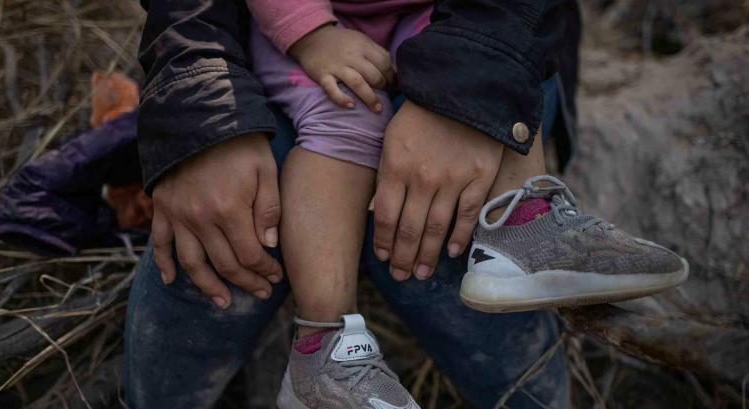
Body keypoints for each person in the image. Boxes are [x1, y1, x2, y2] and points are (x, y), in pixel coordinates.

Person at [123, 0, 681, 408]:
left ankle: (524, 226)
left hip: (453, 16)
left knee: (489, 100)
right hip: (296, 27)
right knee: (251, 212)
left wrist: (464, 84)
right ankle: (324, 351)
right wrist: (297, 40)